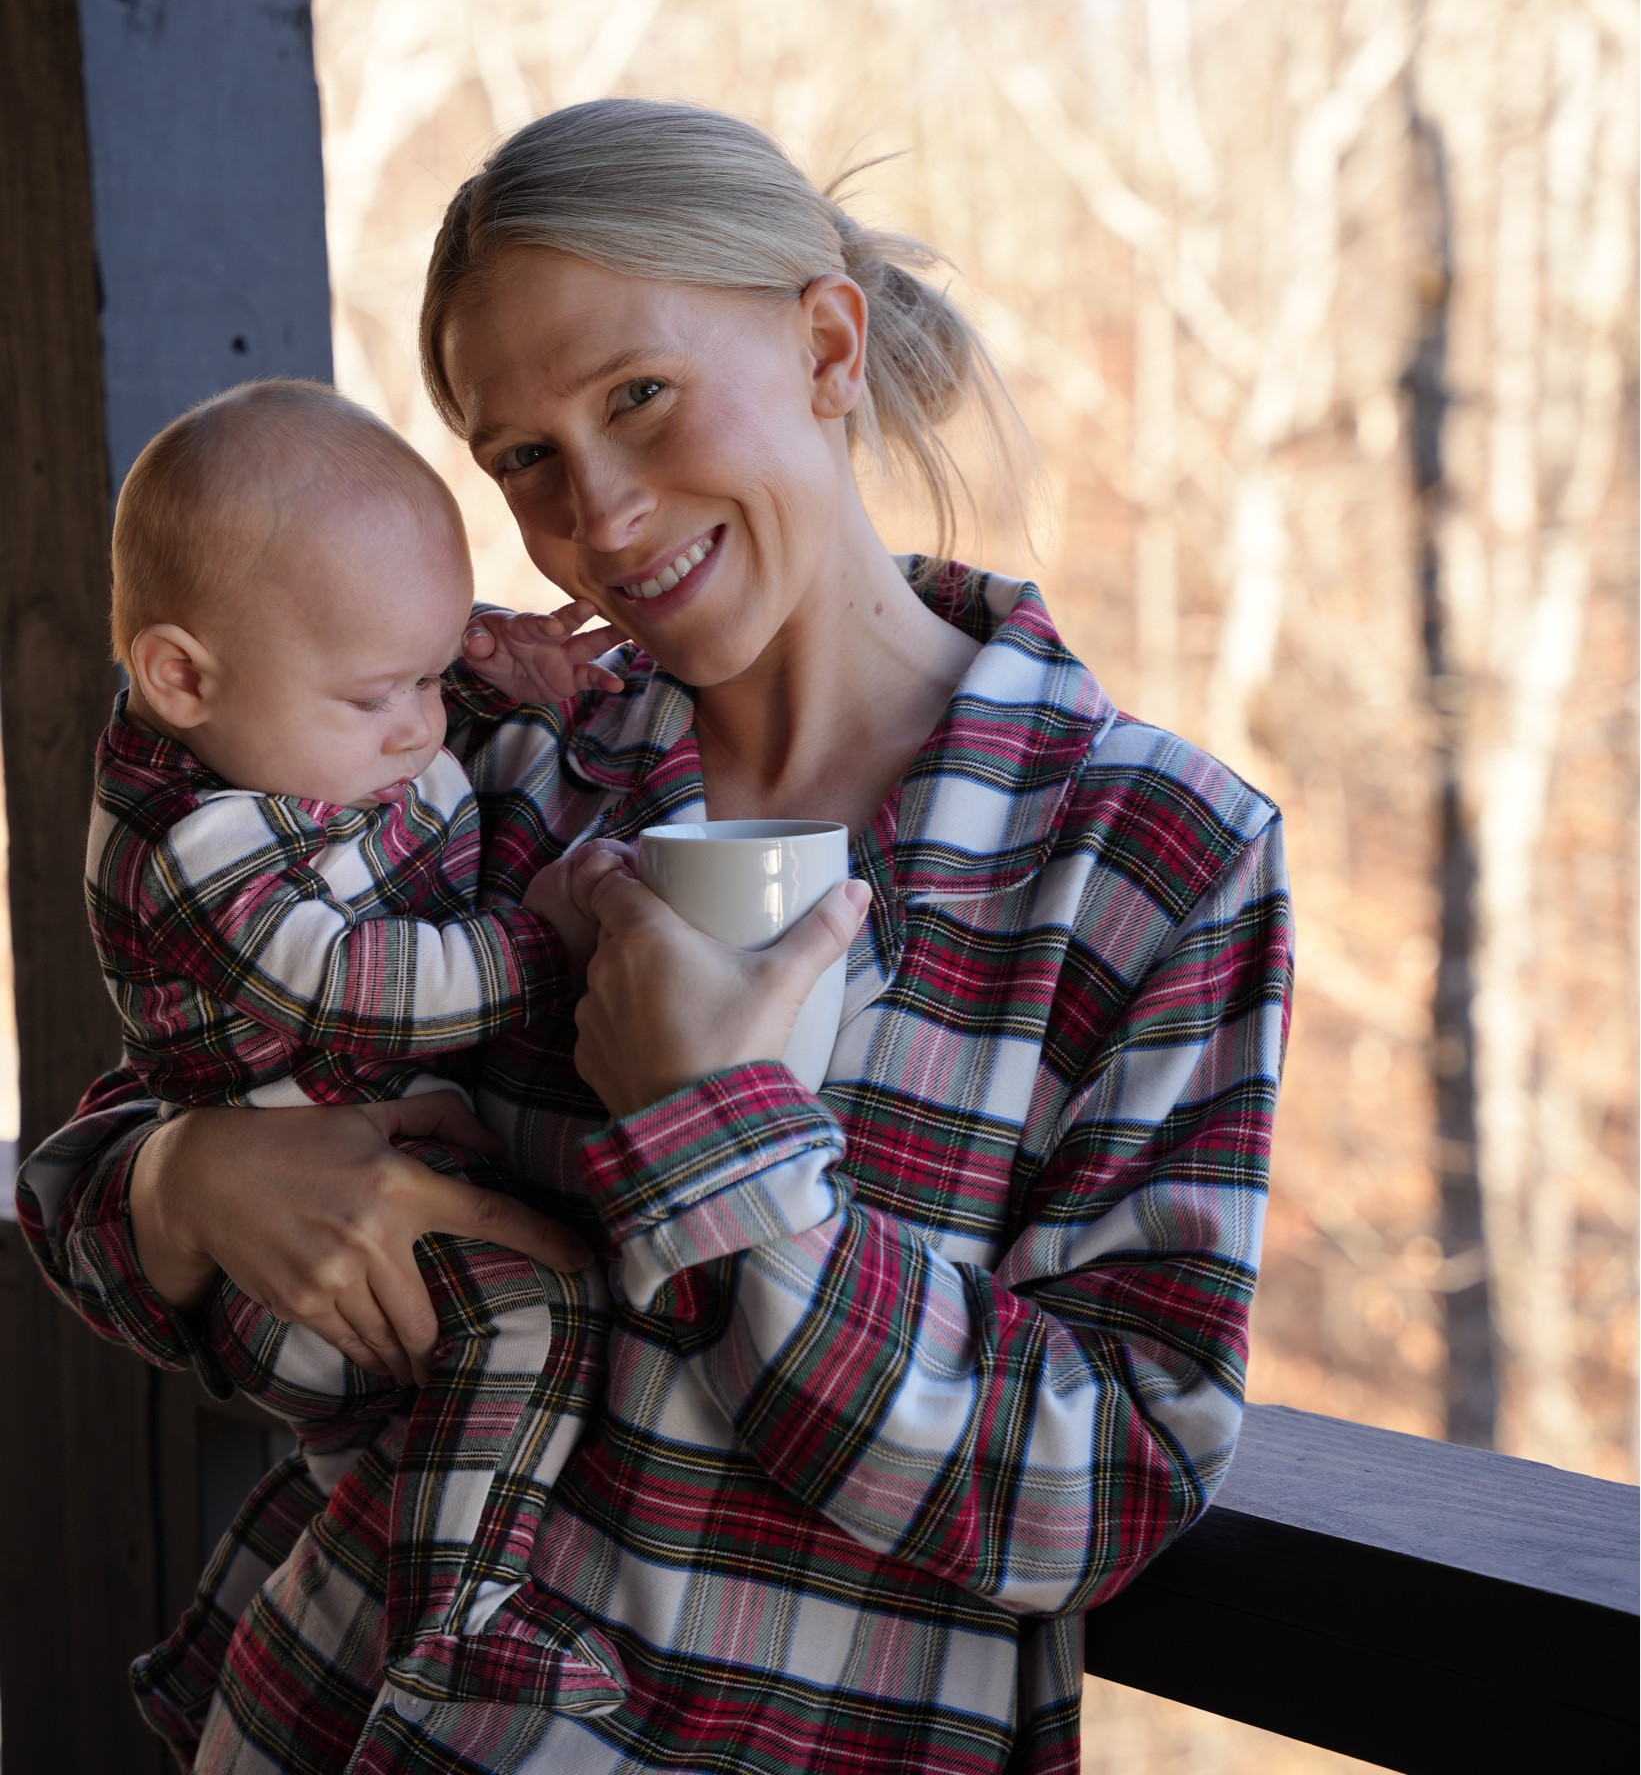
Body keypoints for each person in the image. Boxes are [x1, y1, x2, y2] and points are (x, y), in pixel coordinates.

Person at [19, 98, 1293, 1775]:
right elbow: (99, 1172)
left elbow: (1098, 1491)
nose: (600, 517)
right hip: (338, 1722)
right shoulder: (481, 754)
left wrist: (723, 1139)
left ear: (827, 345)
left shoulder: (1148, 855)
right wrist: (194, 1183)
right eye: (523, 459)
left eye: (638, 396)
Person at [83, 380, 632, 1740]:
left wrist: (493, 658)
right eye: (382, 693)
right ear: (181, 675)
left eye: (435, 675)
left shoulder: (296, 722)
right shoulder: (199, 848)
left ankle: (321, 1618)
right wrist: (541, 945)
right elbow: (359, 988)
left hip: (348, 1212)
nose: (423, 728)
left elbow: (390, 666)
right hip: (307, 1279)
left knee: (413, 1419)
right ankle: (462, 1634)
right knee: (546, 1305)